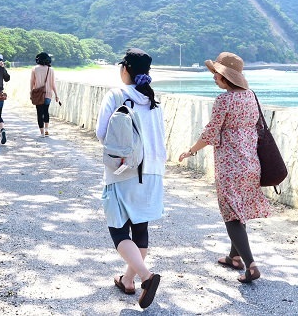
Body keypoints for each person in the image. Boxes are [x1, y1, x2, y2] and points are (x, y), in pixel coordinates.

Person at [177, 52, 273, 284]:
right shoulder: (251, 96)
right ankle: (234, 257)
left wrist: (190, 151)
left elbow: (211, 133)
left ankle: (250, 265)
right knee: (238, 208)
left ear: (225, 78)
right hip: (251, 164)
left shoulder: (224, 101)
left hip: (230, 165)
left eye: (216, 75)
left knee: (231, 214)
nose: (214, 78)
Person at [96, 48, 164, 309]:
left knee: (118, 229)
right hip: (153, 172)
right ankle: (128, 280)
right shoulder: (154, 100)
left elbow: (103, 134)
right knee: (141, 228)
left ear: (125, 68)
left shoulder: (117, 95)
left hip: (123, 170)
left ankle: (146, 277)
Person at [30, 52, 60, 137]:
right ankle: (47, 130)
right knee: (46, 111)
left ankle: (42, 133)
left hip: (38, 94)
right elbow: (53, 84)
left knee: (39, 113)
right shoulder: (51, 70)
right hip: (48, 94)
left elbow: (32, 82)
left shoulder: (35, 69)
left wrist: (31, 92)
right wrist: (56, 95)